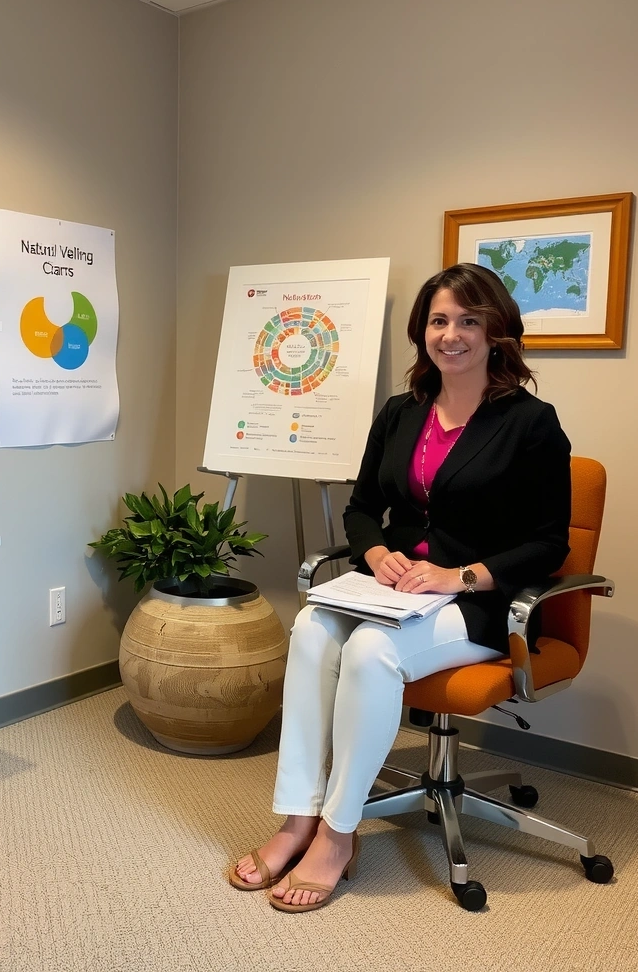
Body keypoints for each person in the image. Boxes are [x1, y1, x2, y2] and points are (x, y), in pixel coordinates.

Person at [230, 262, 571, 913]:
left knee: (368, 653)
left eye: (469, 320)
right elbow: (361, 508)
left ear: (497, 331)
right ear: (424, 332)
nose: (452, 334)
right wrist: (378, 550)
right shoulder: (400, 411)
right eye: (440, 320)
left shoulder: (532, 423)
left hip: (477, 602)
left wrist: (458, 575)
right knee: (308, 627)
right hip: (388, 590)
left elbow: (548, 543)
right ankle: (297, 817)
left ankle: (336, 835)